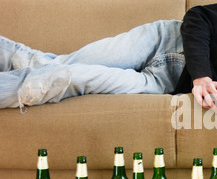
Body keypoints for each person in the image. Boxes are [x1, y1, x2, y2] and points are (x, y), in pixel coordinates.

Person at [0, 20, 184, 111]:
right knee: (49, 64)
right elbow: (198, 17)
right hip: (164, 38)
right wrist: (202, 75)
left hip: (163, 83)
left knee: (72, 76)